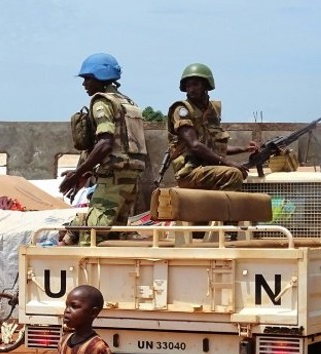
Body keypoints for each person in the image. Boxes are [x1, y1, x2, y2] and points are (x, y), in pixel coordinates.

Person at [60, 53, 147, 246]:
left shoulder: (102, 102)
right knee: (115, 232)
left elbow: (105, 142)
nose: (84, 85)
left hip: (114, 177)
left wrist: (78, 173)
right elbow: (123, 144)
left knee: (91, 234)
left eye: (87, 79)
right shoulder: (128, 103)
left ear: (100, 77)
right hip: (132, 176)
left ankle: (83, 268)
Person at [166, 63, 258, 191]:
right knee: (233, 174)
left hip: (208, 169)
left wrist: (245, 149)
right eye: (188, 85)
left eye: (195, 84)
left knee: (242, 172)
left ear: (206, 85)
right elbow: (195, 145)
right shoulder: (182, 110)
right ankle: (221, 211)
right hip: (190, 172)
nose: (191, 89)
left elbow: (217, 148)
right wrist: (226, 162)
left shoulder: (212, 111)